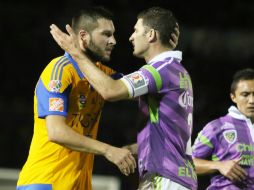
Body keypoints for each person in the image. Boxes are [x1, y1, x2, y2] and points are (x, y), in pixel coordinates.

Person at [50, 6, 197, 190]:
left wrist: (75, 52)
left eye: (136, 30)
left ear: (151, 35)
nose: (130, 37)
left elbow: (110, 90)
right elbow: (167, 131)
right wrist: (131, 150)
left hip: (164, 177)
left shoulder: (159, 71)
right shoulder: (177, 71)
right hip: (178, 176)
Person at [16, 7, 137, 190]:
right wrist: (108, 150)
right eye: (106, 34)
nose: (113, 41)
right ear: (83, 36)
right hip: (46, 182)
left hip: (78, 185)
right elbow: (56, 132)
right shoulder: (59, 70)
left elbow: (150, 93)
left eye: (113, 34)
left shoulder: (104, 77)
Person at [192, 68, 254, 189]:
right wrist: (219, 165)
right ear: (233, 97)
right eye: (245, 94)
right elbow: (187, 164)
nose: (252, 100)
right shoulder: (217, 127)